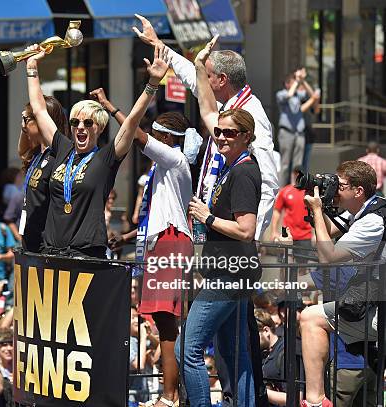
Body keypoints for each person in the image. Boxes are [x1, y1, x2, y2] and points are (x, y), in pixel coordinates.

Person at [93, 87, 194, 407]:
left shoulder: (175, 159)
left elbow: (135, 134)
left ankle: (170, 396)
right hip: (162, 242)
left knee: (167, 323)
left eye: (156, 132)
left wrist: (110, 106)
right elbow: (159, 218)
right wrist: (125, 239)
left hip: (172, 244)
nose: (150, 136)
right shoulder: (164, 169)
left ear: (167, 138)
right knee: (163, 324)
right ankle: (171, 394)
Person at [133, 17, 278, 241]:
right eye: (220, 132)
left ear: (222, 80)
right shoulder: (223, 105)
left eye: (207, 76)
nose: (221, 136)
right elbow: (192, 77)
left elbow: (269, 181)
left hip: (235, 230)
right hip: (213, 223)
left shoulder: (252, 114)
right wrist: (158, 44)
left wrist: (254, 236)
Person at [25, 42, 172, 258]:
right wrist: (31, 67)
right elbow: (38, 109)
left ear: (100, 127)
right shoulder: (62, 147)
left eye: (88, 123)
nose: (80, 128)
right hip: (51, 252)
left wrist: (152, 83)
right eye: (75, 123)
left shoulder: (105, 158)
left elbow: (132, 121)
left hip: (86, 253)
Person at [183, 38, 262, 407]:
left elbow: (246, 229)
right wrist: (200, 67)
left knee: (189, 348)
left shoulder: (244, 173)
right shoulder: (231, 164)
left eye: (231, 133)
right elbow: (207, 109)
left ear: (247, 137)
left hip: (230, 273)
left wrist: (207, 217)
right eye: (219, 133)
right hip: (230, 270)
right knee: (235, 353)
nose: (222, 137)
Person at [299, 160, 383, 407]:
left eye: (339, 185)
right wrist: (322, 205)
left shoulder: (372, 221)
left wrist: (316, 210)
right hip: (373, 304)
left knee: (309, 318)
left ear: (358, 191)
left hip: (380, 311)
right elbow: (323, 237)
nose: (335, 188)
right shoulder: (362, 210)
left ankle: (315, 402)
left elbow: (328, 257)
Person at [16, 96, 69, 252]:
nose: (23, 124)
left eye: (27, 119)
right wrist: (25, 122)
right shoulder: (38, 154)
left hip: (46, 247)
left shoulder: (57, 157)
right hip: (30, 242)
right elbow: (22, 151)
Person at [275, 69, 315, 186]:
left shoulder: (298, 95)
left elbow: (312, 95)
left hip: (299, 133)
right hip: (286, 132)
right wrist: (297, 81)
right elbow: (289, 94)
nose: (296, 85)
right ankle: (282, 190)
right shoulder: (281, 94)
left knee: (298, 165)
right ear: (287, 84)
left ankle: (296, 189)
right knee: (286, 163)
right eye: (293, 82)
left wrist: (303, 81)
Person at [270, 165, 313, 262]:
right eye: (296, 173)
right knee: (285, 265)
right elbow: (277, 211)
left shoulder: (309, 192)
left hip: (305, 236)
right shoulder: (285, 191)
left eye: (300, 173)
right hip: (288, 236)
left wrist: (315, 235)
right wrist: (274, 231)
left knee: (302, 267)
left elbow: (316, 213)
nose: (298, 175)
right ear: (293, 174)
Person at [255, 309, 286, 406]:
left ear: (266, 330)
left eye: (253, 336)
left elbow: (291, 397)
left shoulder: (284, 352)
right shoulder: (261, 353)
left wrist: (258, 390)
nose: (250, 340)